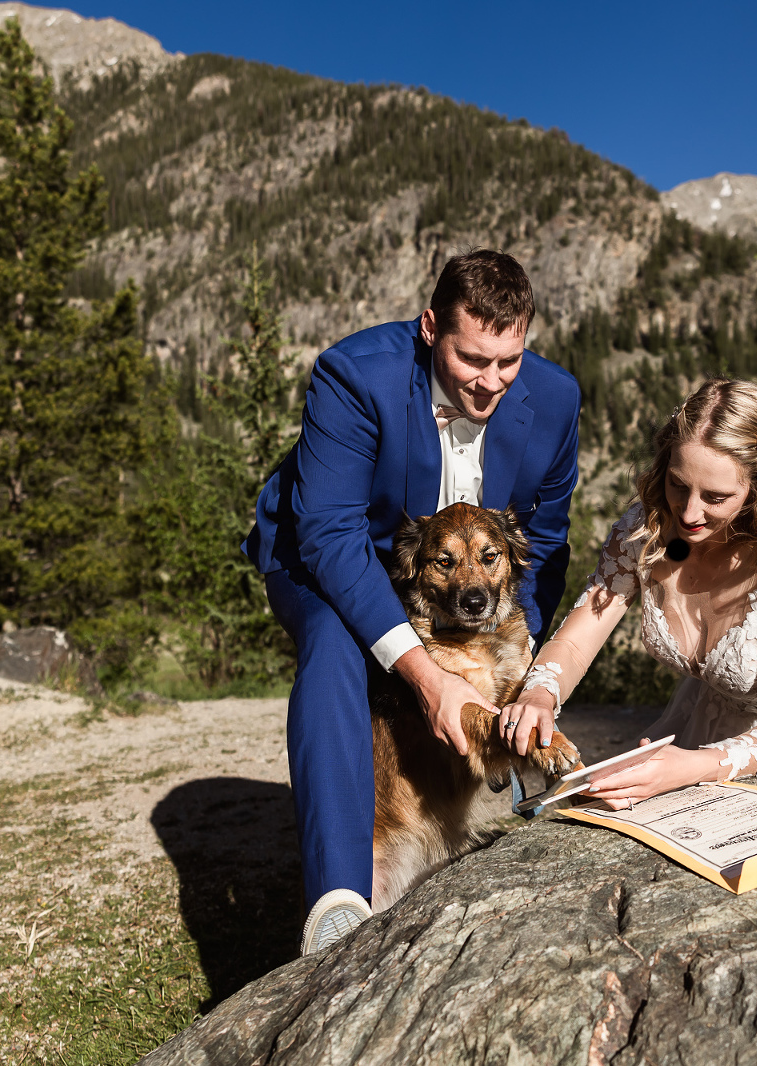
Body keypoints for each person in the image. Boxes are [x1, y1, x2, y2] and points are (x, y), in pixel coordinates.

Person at [244, 250, 580, 953]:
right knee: (339, 645)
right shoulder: (354, 374)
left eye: (508, 361)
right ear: (431, 327)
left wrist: (519, 674)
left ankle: (504, 772)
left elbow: (544, 545)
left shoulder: (554, 400)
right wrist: (426, 675)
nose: (491, 383)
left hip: (450, 561)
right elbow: (331, 535)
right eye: (471, 360)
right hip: (324, 547)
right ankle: (340, 896)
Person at [497, 378, 757, 809]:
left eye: (716, 497)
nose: (688, 513)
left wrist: (686, 767)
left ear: (756, 490)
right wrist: (540, 693)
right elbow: (577, 642)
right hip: (705, 726)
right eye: (677, 485)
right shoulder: (645, 530)